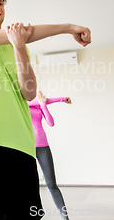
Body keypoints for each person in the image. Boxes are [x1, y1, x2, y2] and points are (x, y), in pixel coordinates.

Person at [0, 0, 91, 220]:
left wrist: (19, 46)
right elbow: (21, 33)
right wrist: (69, 27)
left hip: (23, 144)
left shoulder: (19, 46)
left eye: (0, 3)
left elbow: (29, 93)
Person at [28, 91, 72, 220]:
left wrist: (43, 105)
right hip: (27, 147)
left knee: (51, 184)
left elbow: (51, 123)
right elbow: (45, 100)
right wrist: (62, 98)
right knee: (30, 185)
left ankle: (65, 217)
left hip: (42, 146)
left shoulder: (39, 105)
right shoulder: (24, 103)